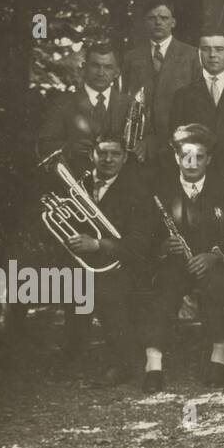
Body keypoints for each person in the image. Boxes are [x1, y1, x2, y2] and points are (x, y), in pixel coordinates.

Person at [55, 133, 153, 386]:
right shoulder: (78, 185)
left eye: (115, 154)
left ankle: (123, 363)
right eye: (102, 153)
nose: (108, 159)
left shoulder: (137, 192)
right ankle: (73, 354)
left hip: (122, 264)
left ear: (124, 158)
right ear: (92, 155)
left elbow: (139, 244)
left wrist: (97, 244)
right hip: (80, 262)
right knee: (71, 285)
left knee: (107, 290)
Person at [143, 125, 224, 393]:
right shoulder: (160, 190)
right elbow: (144, 237)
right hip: (173, 262)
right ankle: (153, 362)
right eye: (186, 156)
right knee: (164, 287)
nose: (192, 163)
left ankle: (218, 355)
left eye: (199, 157)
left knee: (218, 286)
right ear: (176, 158)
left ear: (209, 159)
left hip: (211, 262)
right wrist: (162, 246)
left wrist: (214, 256)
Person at [121, 0, 200, 160]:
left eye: (164, 18)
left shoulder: (192, 56)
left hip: (180, 143)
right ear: (145, 22)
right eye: (152, 18)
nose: (158, 22)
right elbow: (126, 99)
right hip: (141, 146)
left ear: (173, 22)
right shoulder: (132, 58)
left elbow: (197, 102)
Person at [168, 29, 224, 181]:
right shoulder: (183, 95)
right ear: (199, 54)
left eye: (219, 49)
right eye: (206, 49)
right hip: (199, 175)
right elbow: (177, 142)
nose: (212, 55)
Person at [38, 43, 134, 161]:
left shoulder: (129, 104)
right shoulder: (63, 103)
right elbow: (44, 145)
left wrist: (143, 144)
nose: (101, 73)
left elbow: (147, 139)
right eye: (95, 66)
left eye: (108, 67)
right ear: (84, 68)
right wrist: (69, 148)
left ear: (117, 72)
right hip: (75, 175)